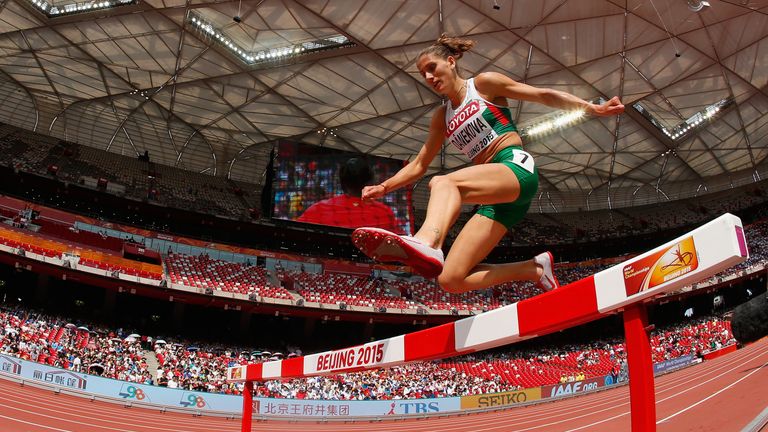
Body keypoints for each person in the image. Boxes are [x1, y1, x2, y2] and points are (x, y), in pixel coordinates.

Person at [352, 34, 624, 294]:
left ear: (451, 61)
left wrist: (592, 108)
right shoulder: (441, 117)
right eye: (423, 74)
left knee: (443, 182)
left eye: (432, 68)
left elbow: (542, 95)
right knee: (451, 279)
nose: (429, 77)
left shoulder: (483, 85)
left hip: (515, 168)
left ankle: (426, 241)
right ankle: (533, 269)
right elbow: (420, 163)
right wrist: (384, 187)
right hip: (496, 199)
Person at [297, 157, 403, 233]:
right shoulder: (384, 212)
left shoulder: (319, 209)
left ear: (343, 182)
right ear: (370, 182)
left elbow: (295, 231)